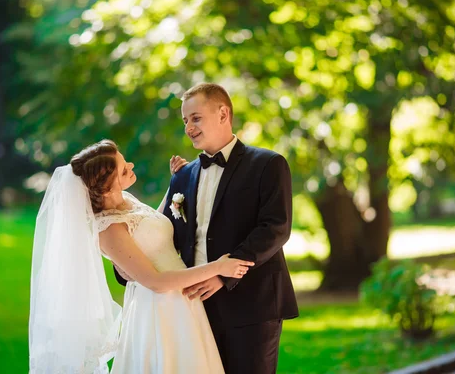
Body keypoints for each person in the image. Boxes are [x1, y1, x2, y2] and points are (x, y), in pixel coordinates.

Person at [117, 83, 299, 374]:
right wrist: (128, 266)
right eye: (185, 120)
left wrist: (221, 275)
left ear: (223, 113)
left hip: (251, 303)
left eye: (196, 118)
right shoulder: (182, 176)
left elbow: (275, 228)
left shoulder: (268, 164)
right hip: (192, 307)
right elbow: (166, 235)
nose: (189, 127)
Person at [28, 139, 254, 374]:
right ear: (106, 188)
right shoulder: (109, 229)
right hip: (160, 309)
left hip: (182, 299)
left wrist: (176, 182)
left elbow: (149, 229)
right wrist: (218, 268)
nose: (131, 166)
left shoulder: (126, 201)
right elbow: (156, 283)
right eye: (124, 169)